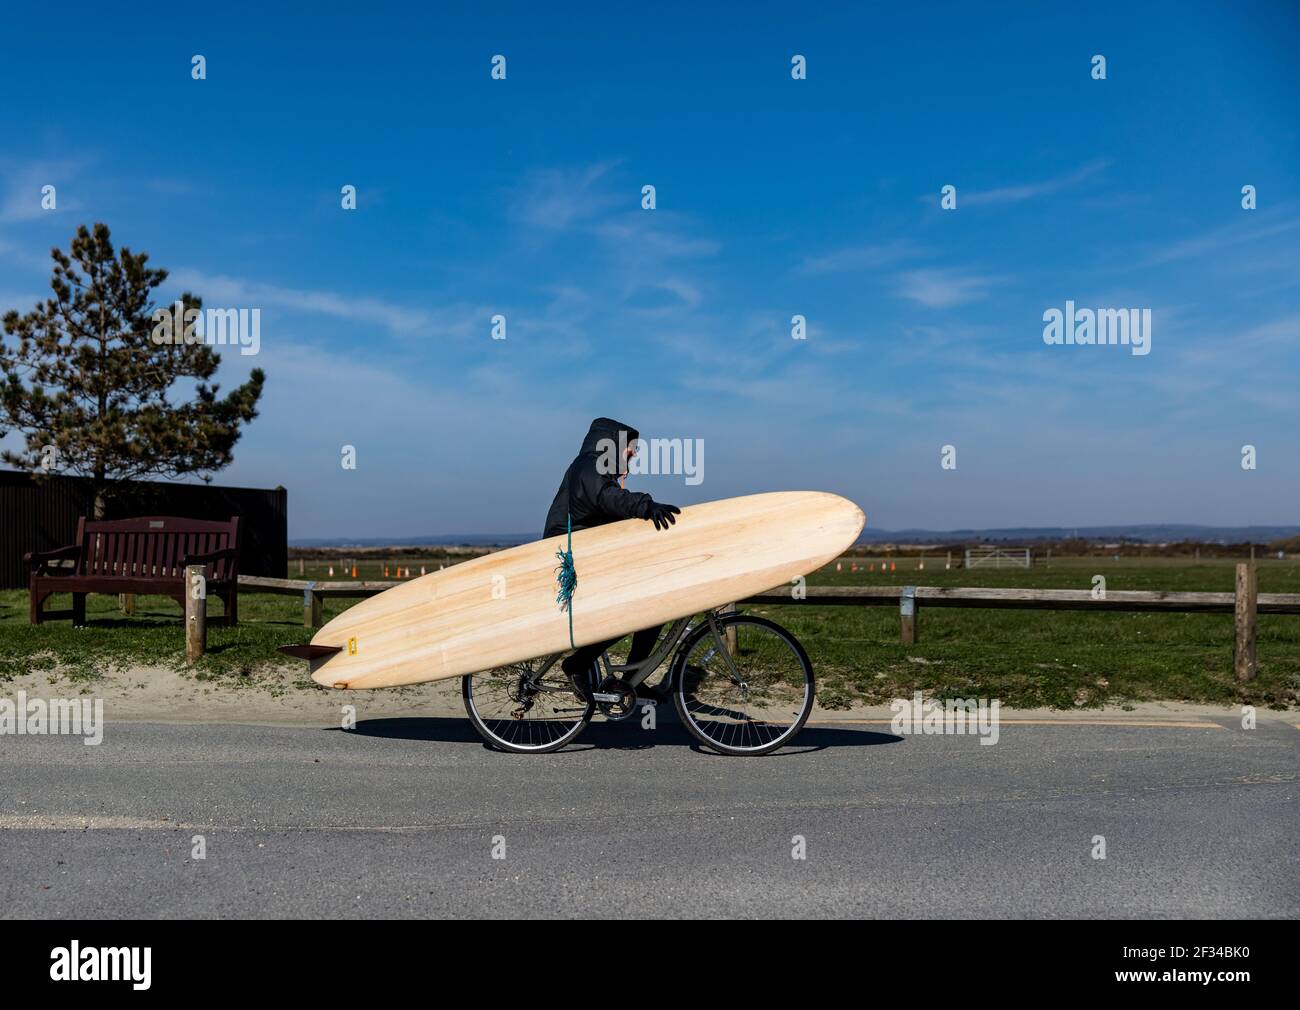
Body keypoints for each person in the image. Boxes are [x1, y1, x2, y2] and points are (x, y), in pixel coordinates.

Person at [544, 417, 681, 701]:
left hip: (589, 556)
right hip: (572, 561)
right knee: (636, 610)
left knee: (655, 608)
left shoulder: (595, 468)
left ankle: (633, 679)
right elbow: (605, 498)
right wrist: (646, 506)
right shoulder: (590, 464)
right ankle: (577, 664)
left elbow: (608, 508)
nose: (634, 452)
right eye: (630, 446)